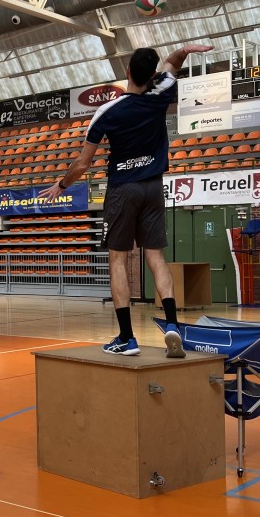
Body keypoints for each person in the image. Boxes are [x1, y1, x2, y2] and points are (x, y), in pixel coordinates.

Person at [39, 43, 214, 358]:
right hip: (153, 187)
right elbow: (173, 64)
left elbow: (82, 164)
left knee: (118, 260)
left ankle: (126, 337)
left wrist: (61, 185)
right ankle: (172, 324)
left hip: (123, 189)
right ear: (151, 75)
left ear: (128, 73)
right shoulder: (160, 92)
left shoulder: (108, 111)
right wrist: (187, 50)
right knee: (156, 258)